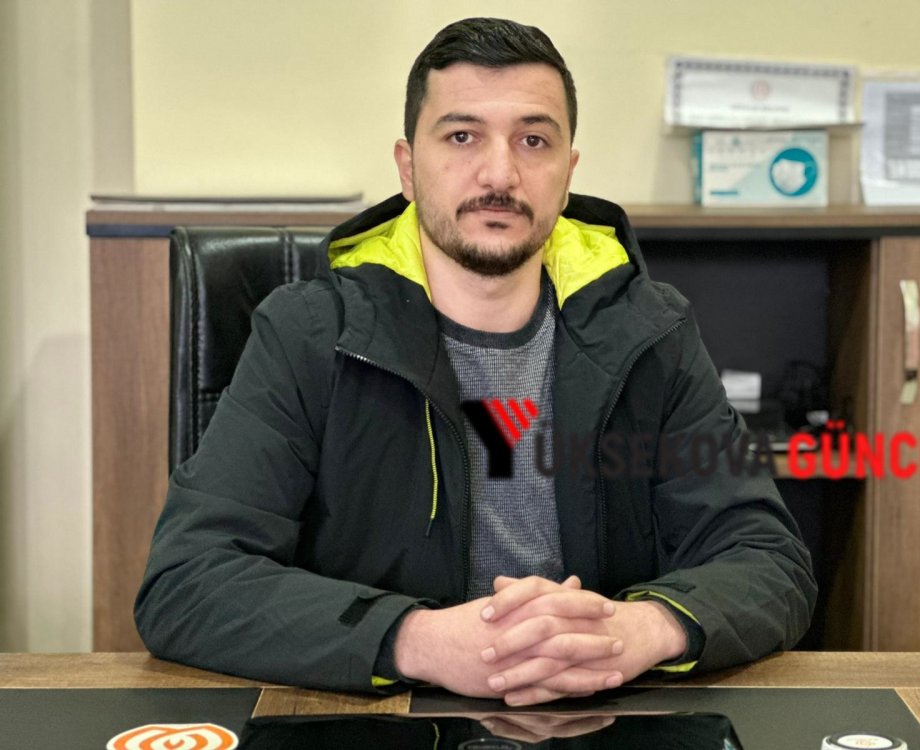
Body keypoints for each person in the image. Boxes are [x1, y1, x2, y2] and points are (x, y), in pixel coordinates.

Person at [135, 17, 816, 707]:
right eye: (462, 136)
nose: (499, 174)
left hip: (602, 710)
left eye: (533, 140)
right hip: (382, 719)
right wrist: (417, 641)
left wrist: (637, 630)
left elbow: (768, 560)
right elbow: (186, 583)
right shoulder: (310, 334)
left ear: (568, 173)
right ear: (408, 167)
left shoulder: (650, 332)